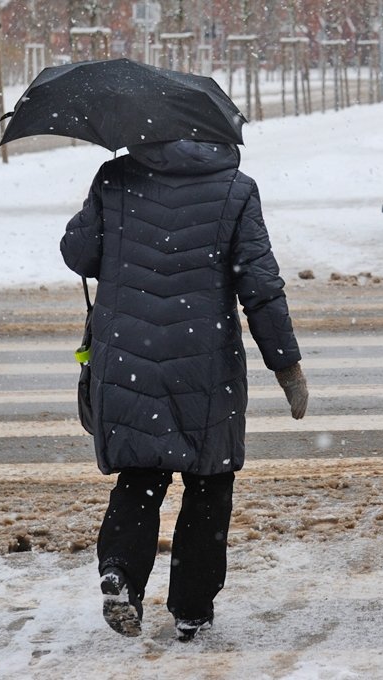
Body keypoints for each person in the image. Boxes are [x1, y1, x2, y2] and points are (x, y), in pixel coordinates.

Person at [60, 138, 308, 641]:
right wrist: (287, 367)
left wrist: (98, 207)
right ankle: (192, 609)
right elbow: (260, 286)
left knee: (140, 476)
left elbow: (78, 254)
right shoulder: (235, 189)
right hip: (205, 364)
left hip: (128, 353)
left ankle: (120, 574)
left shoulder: (115, 177)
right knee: (209, 483)